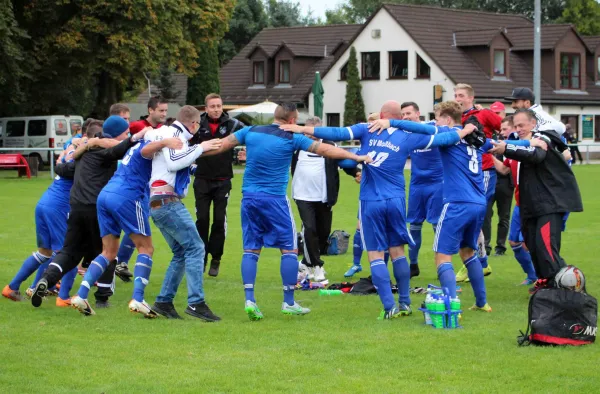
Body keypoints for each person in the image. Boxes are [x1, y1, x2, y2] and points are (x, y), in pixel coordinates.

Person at [285, 100, 477, 318]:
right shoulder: (406, 135)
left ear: (381, 114)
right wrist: (465, 130)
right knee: (397, 252)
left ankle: (389, 308)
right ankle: (404, 303)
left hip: (371, 201)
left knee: (376, 255)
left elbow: (336, 132)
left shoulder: (367, 129)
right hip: (395, 200)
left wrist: (302, 128)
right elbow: (445, 138)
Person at [209, 103, 371, 320]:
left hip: (249, 198)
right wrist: (356, 158)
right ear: (293, 120)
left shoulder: (250, 131)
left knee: (251, 249)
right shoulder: (292, 137)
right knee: (289, 250)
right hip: (275, 199)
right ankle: (289, 302)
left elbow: (220, 145)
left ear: (276, 116)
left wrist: (190, 152)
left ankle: (250, 299)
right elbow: (326, 149)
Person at [370, 101, 492, 312]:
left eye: (437, 118)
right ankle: (482, 303)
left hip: (457, 203)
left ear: (446, 119)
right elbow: (496, 146)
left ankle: (451, 306)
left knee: (442, 256)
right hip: (479, 203)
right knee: (467, 252)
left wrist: (389, 121)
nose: (435, 122)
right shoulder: (475, 139)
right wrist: (531, 144)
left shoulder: (448, 132)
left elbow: (420, 127)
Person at [30, 116, 142, 309]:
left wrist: (70, 152)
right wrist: (133, 139)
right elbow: (121, 147)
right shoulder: (104, 149)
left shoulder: (86, 151)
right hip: (97, 209)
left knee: (70, 252)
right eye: (125, 132)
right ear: (116, 133)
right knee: (107, 252)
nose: (128, 135)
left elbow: (64, 168)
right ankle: (102, 298)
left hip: (75, 208)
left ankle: (46, 280)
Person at [69, 130, 183, 317]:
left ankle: (81, 294)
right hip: (127, 196)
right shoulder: (147, 147)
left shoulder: (134, 146)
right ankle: (138, 298)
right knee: (146, 248)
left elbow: (117, 143)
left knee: (108, 252)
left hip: (105, 195)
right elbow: (149, 148)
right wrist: (165, 142)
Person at [490, 109, 583, 291]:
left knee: (546, 248)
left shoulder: (544, 137)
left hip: (550, 205)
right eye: (515, 126)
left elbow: (536, 154)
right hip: (529, 206)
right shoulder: (521, 142)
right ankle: (545, 282)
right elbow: (508, 164)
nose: (518, 129)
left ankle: (567, 287)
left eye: (521, 125)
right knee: (532, 246)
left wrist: (506, 148)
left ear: (533, 124)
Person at [149, 106, 223, 321]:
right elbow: (173, 163)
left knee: (182, 252)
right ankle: (196, 303)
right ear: (194, 124)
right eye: (198, 125)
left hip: (159, 203)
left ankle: (163, 301)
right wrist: (201, 147)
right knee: (196, 247)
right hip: (166, 202)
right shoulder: (174, 134)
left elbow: (177, 162)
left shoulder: (172, 134)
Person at [3, 146, 80, 305]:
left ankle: (13, 288)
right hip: (58, 207)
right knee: (69, 252)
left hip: (44, 202)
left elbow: (69, 152)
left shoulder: (74, 149)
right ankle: (63, 298)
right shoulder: (85, 156)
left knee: (45, 252)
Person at [292, 116, 360, 283]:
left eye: (315, 132)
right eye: (308, 131)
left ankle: (305, 263)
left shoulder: (329, 146)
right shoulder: (296, 145)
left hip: (324, 197)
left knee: (322, 234)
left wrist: (356, 172)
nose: (311, 135)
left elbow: (343, 162)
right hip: (302, 195)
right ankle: (317, 266)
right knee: (309, 229)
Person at [190, 93, 245, 277]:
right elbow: (185, 145)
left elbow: (249, 138)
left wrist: (244, 152)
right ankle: (202, 258)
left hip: (223, 181)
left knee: (219, 221)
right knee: (202, 220)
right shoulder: (196, 125)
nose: (216, 109)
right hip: (202, 180)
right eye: (212, 106)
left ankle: (216, 258)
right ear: (206, 108)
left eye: (219, 106)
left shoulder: (233, 125)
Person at [114, 97, 166, 282]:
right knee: (134, 224)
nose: (164, 114)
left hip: (146, 183)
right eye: (161, 110)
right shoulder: (137, 127)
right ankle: (111, 261)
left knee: (140, 221)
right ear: (150, 110)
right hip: (128, 182)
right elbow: (121, 145)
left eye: (166, 111)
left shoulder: (164, 130)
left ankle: (119, 262)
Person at [454, 83, 501, 282]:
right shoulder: (456, 119)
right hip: (464, 174)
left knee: (473, 219)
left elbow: (503, 126)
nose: (458, 99)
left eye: (461, 95)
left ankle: (478, 263)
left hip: (483, 171)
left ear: (471, 98)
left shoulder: (483, 114)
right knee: (469, 220)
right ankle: (478, 262)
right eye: (455, 95)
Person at [492, 118, 537, 285]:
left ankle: (544, 277)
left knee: (528, 243)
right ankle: (532, 275)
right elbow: (504, 169)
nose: (504, 132)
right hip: (520, 203)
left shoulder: (533, 146)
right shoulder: (514, 149)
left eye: (506, 129)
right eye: (515, 127)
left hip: (534, 203)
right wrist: (489, 155)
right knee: (514, 242)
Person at [402, 102, 442, 278]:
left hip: (437, 183)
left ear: (418, 114)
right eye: (403, 114)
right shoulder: (404, 133)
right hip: (417, 184)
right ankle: (413, 265)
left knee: (436, 225)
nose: (405, 117)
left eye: (408, 113)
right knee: (414, 225)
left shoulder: (432, 127)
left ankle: (442, 265)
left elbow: (450, 122)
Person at [345, 113, 379, 277]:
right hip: (366, 193)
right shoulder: (366, 145)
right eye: (369, 123)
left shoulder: (389, 144)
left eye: (373, 123)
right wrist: (359, 173)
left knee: (383, 230)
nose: (370, 127)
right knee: (359, 227)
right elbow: (350, 160)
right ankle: (356, 263)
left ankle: (381, 266)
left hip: (385, 194)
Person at [483, 117, 515, 256]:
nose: (501, 132)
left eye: (505, 129)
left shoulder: (513, 145)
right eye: (500, 129)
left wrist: (489, 157)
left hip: (505, 183)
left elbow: (504, 169)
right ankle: (485, 245)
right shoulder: (493, 140)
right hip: (490, 180)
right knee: (485, 214)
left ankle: (500, 247)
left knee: (504, 215)